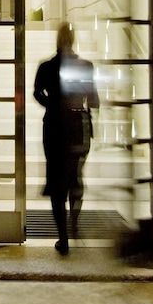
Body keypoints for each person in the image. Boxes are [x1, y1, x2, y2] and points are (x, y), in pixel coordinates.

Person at [33, 22, 99, 255]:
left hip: (54, 126)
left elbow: (37, 92)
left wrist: (52, 104)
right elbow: (94, 99)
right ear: (73, 39)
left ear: (57, 39)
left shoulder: (46, 67)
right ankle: (74, 223)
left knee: (56, 181)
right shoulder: (86, 66)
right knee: (75, 177)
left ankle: (63, 237)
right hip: (78, 125)